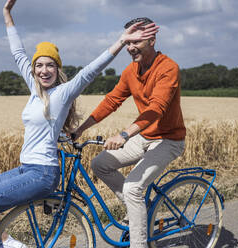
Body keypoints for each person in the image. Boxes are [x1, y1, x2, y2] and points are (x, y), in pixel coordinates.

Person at [0, 1, 159, 247]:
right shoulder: (34, 88)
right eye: (39, 65)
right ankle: (8, 242)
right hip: (27, 168)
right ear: (33, 70)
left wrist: (121, 40)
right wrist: (6, 13)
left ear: (57, 69)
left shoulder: (63, 93)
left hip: (42, 173)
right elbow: (17, 52)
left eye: (50, 65)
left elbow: (91, 70)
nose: (44, 70)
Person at [74, 17, 186, 248]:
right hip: (143, 137)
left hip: (168, 139)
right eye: (127, 42)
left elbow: (156, 109)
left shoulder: (168, 68)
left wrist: (124, 135)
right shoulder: (130, 71)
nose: (130, 47)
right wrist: (80, 129)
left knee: (133, 188)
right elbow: (112, 100)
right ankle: (138, 209)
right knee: (100, 165)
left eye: (136, 42)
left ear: (152, 40)